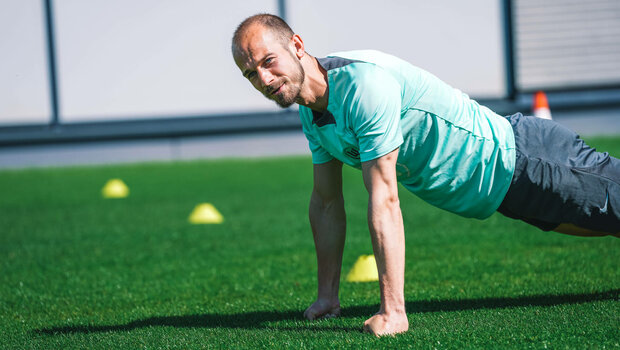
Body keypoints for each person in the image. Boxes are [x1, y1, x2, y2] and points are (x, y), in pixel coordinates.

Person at [231, 13, 620, 336]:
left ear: (297, 46)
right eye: (251, 74)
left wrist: (393, 311)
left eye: (268, 62)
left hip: (528, 159)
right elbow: (326, 202)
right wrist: (326, 297)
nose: (264, 80)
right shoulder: (312, 114)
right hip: (503, 194)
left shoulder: (364, 84)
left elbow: (384, 196)